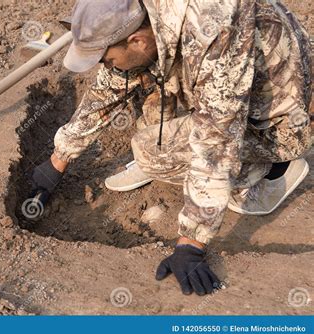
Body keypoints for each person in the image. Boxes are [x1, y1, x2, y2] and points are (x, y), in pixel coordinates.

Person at [28, 0, 312, 296]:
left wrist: (191, 243)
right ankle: (173, 154)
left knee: (150, 150)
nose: (106, 67)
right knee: (140, 78)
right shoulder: (149, 16)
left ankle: (274, 170)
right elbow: (110, 86)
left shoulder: (214, 32)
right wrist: (58, 159)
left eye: (107, 59)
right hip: (233, 83)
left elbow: (215, 140)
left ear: (136, 40)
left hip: (277, 123)